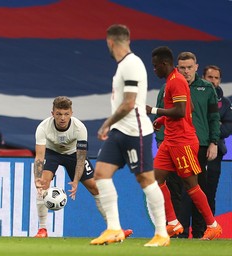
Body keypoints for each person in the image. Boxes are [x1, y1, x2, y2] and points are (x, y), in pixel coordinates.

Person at [90, 24, 169, 247]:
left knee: (145, 179)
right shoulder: (123, 65)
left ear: (111, 42)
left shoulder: (132, 64)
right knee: (101, 174)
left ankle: (162, 233)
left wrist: (107, 123)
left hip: (135, 130)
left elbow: (129, 103)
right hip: (120, 130)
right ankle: (113, 228)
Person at [147, 46, 222, 241]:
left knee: (191, 185)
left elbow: (180, 112)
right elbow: (186, 110)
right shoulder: (171, 82)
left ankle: (212, 225)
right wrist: (162, 121)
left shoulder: (176, 82)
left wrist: (154, 111)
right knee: (156, 180)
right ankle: (172, 223)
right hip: (169, 141)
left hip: (183, 142)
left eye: (156, 67)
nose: (154, 70)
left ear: (164, 64)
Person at [33, 96, 133, 239]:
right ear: (52, 114)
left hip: (73, 154)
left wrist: (75, 181)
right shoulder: (43, 128)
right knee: (43, 184)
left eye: (66, 114)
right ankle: (42, 230)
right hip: (52, 153)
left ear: (71, 113)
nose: (62, 118)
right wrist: (37, 179)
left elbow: (80, 158)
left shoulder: (79, 128)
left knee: (95, 187)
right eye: (59, 114)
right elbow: (39, 157)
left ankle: (114, 229)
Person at [165, 52, 220, 238]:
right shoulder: (169, 86)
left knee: (198, 190)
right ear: (177, 68)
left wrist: (214, 142)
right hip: (175, 146)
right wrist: (160, 142)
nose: (186, 71)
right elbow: (160, 117)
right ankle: (178, 233)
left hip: (200, 146)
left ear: (196, 67)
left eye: (190, 67)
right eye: (182, 68)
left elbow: (214, 118)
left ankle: (199, 233)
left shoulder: (207, 88)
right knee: (176, 191)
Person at [203, 65, 232, 215]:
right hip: (194, 148)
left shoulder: (226, 103)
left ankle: (208, 230)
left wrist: (211, 130)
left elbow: (228, 126)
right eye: (210, 77)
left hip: (216, 152)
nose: (213, 81)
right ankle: (183, 232)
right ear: (203, 78)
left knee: (210, 191)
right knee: (189, 191)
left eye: (216, 78)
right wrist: (214, 124)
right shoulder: (195, 98)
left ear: (220, 80)